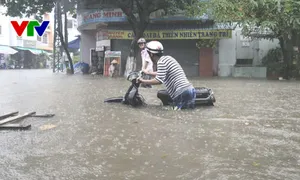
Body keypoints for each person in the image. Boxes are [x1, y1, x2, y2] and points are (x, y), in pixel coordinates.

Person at [137, 40, 196, 110]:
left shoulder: (161, 62)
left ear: (151, 54)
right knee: (186, 115)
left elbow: (159, 80)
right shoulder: (167, 58)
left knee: (178, 118)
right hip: (190, 90)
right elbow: (163, 73)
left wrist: (143, 81)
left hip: (181, 93)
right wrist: (148, 73)